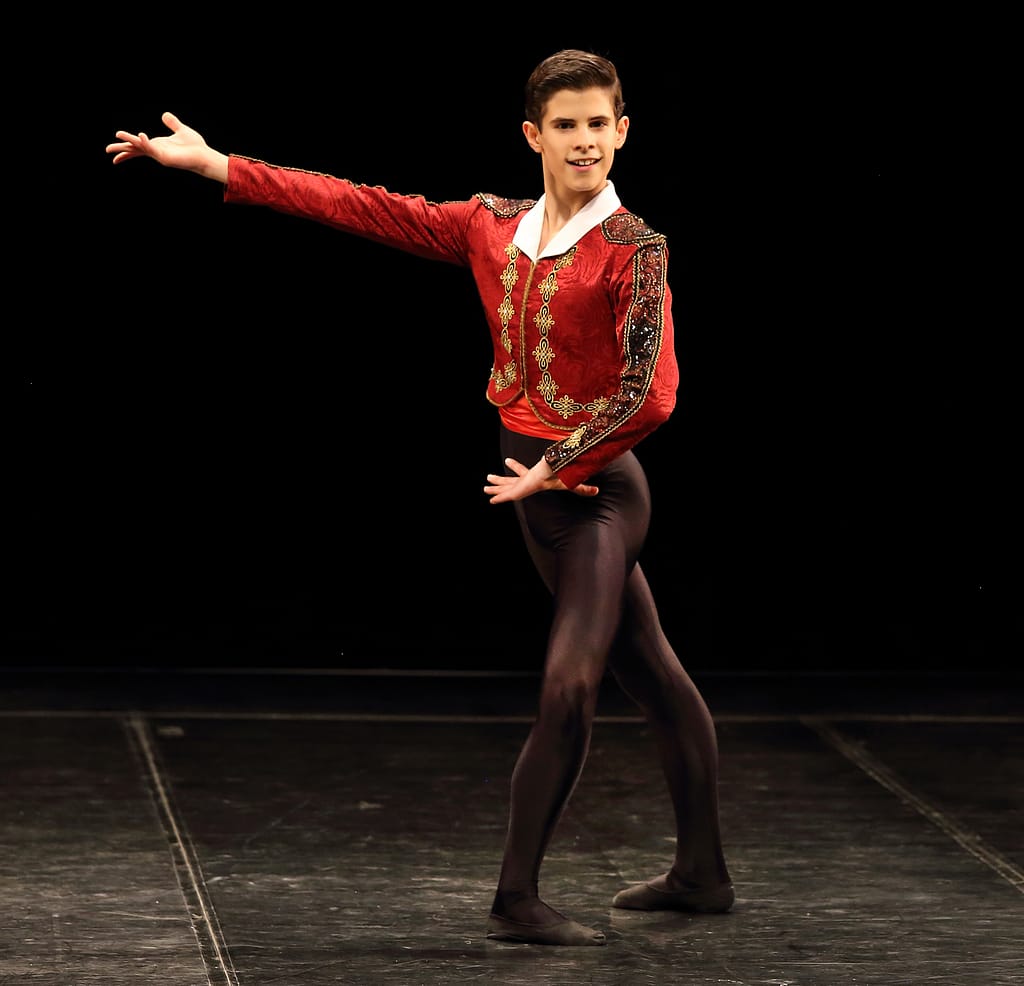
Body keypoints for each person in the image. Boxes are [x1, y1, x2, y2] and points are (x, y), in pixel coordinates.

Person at [106, 48, 734, 947]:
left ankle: (516, 897)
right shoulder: (491, 226)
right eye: (566, 125)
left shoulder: (635, 250)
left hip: (595, 491)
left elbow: (653, 393)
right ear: (535, 135)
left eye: (599, 123)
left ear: (622, 130)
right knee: (653, 673)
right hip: (532, 487)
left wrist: (558, 467)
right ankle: (703, 874)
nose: (585, 141)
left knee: (570, 684)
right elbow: (363, 205)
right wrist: (218, 166)